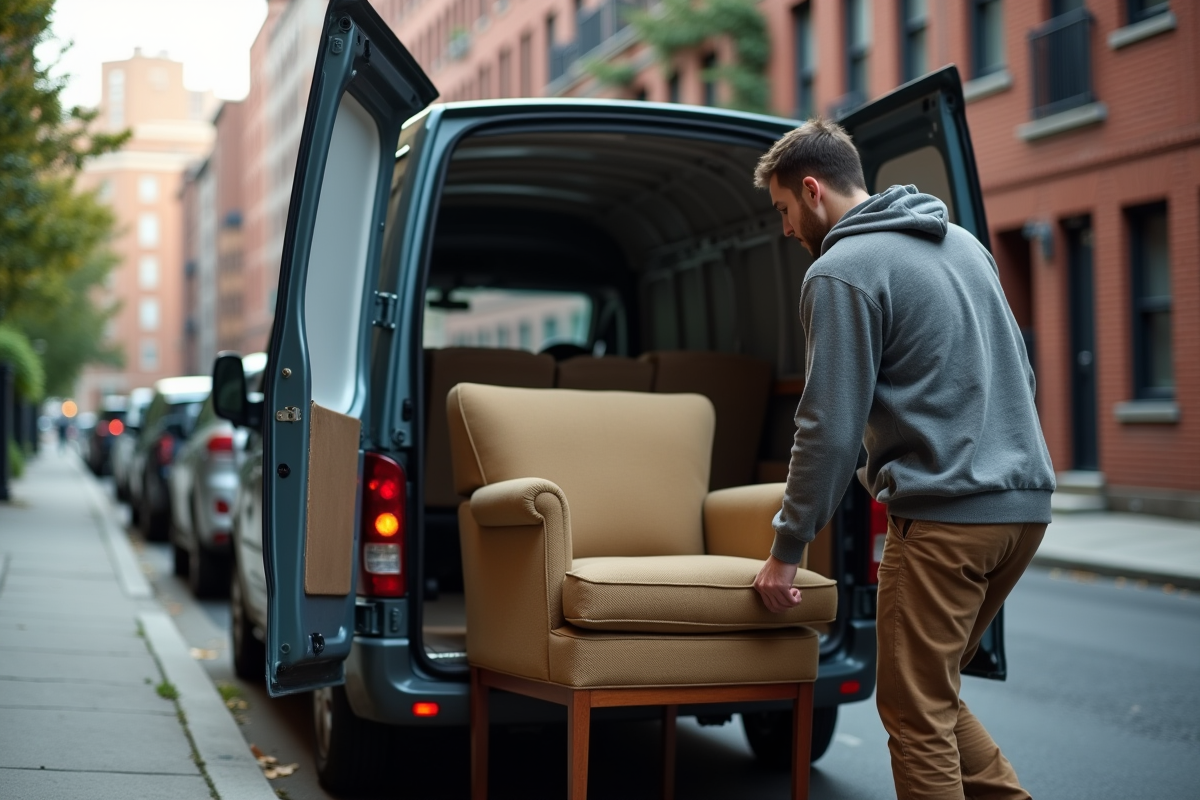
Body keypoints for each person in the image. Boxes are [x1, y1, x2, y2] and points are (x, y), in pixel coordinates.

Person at [749, 118, 1055, 800]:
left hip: (946, 519)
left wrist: (786, 548)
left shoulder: (841, 271)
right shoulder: (965, 246)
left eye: (783, 211)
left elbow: (827, 428)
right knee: (932, 696)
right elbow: (1021, 376)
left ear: (811, 190)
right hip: (1024, 511)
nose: (786, 229)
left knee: (914, 714)